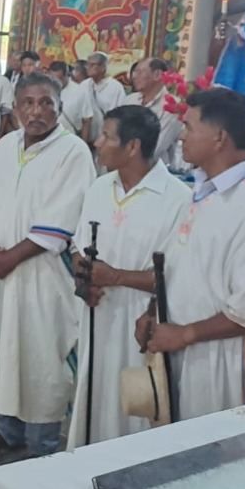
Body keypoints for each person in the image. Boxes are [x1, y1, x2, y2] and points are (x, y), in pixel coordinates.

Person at [135, 89, 245, 420]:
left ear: (219, 137)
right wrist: (153, 312)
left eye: (189, 127)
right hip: (185, 355)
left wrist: (183, 334)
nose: (181, 136)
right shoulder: (201, 194)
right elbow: (175, 265)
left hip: (228, 367)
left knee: (225, 458)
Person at [0, 73, 95, 457]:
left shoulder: (72, 152)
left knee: (40, 358)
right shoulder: (8, 144)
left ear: (60, 107)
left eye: (46, 103)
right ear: (17, 106)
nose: (36, 111)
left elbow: (62, 218)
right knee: (3, 351)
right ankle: (7, 430)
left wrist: (10, 256)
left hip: (41, 272)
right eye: (28, 102)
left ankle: (41, 444)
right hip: (0, 269)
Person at [64, 105, 191, 449]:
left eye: (107, 136)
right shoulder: (99, 187)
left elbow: (178, 277)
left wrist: (115, 275)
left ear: (133, 146)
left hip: (140, 324)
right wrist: (84, 277)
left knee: (133, 411)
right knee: (94, 401)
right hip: (97, 314)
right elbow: (77, 246)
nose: (97, 142)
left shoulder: (178, 199)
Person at [123, 58, 183, 164]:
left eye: (140, 72)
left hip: (153, 169)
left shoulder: (172, 106)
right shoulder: (129, 100)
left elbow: (157, 147)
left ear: (157, 75)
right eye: (135, 72)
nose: (134, 76)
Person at [83, 52, 126, 143]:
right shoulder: (85, 85)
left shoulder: (115, 87)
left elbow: (120, 114)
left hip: (106, 139)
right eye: (87, 64)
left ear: (103, 67)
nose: (87, 67)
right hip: (87, 137)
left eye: (92, 65)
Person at [50, 60, 89, 138]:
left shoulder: (80, 91)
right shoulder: (47, 89)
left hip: (71, 137)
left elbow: (87, 120)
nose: (56, 82)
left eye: (59, 79)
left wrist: (84, 143)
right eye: (52, 78)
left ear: (67, 75)